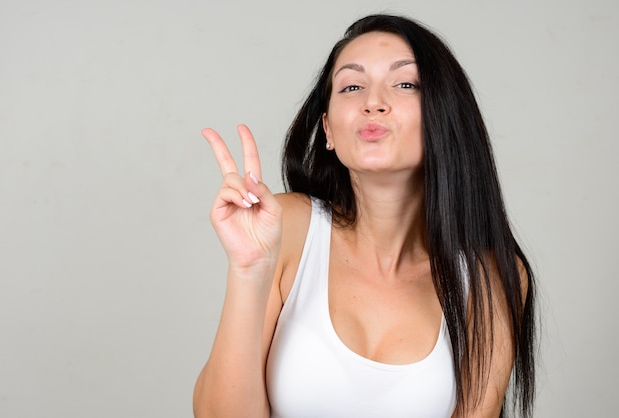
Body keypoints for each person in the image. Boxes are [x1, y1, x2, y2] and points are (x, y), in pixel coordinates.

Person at [193, 14, 536, 418]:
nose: (372, 102)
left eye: (405, 83)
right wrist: (250, 270)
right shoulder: (289, 229)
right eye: (352, 86)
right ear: (329, 131)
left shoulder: (491, 275)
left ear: (445, 118)